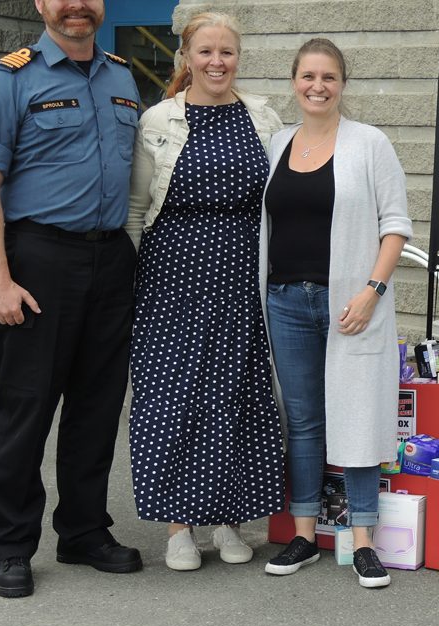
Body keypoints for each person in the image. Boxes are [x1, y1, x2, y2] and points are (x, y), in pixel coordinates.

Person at [0, 0, 143, 598]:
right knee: (26, 409)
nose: (76, 5)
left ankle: (83, 531)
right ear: (41, 4)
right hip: (39, 258)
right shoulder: (9, 80)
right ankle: (10, 545)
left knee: (97, 407)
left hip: (111, 258)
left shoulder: (121, 77)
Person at [125, 12, 285, 572]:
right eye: (206, 52)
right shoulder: (158, 120)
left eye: (227, 52)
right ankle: (179, 528)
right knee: (173, 397)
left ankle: (229, 520)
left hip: (242, 276)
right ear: (186, 58)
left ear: (239, 57)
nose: (217, 62)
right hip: (173, 278)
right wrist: (133, 282)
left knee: (236, 395)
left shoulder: (263, 117)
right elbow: (136, 209)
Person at [260, 38, 412, 588]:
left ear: (343, 84)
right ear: (294, 82)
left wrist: (372, 290)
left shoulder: (369, 143)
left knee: (359, 414)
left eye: (328, 77)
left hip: (351, 303)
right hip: (285, 301)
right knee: (303, 421)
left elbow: (395, 225)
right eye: (308, 76)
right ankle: (304, 533)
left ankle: (363, 539)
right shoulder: (278, 143)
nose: (317, 86)